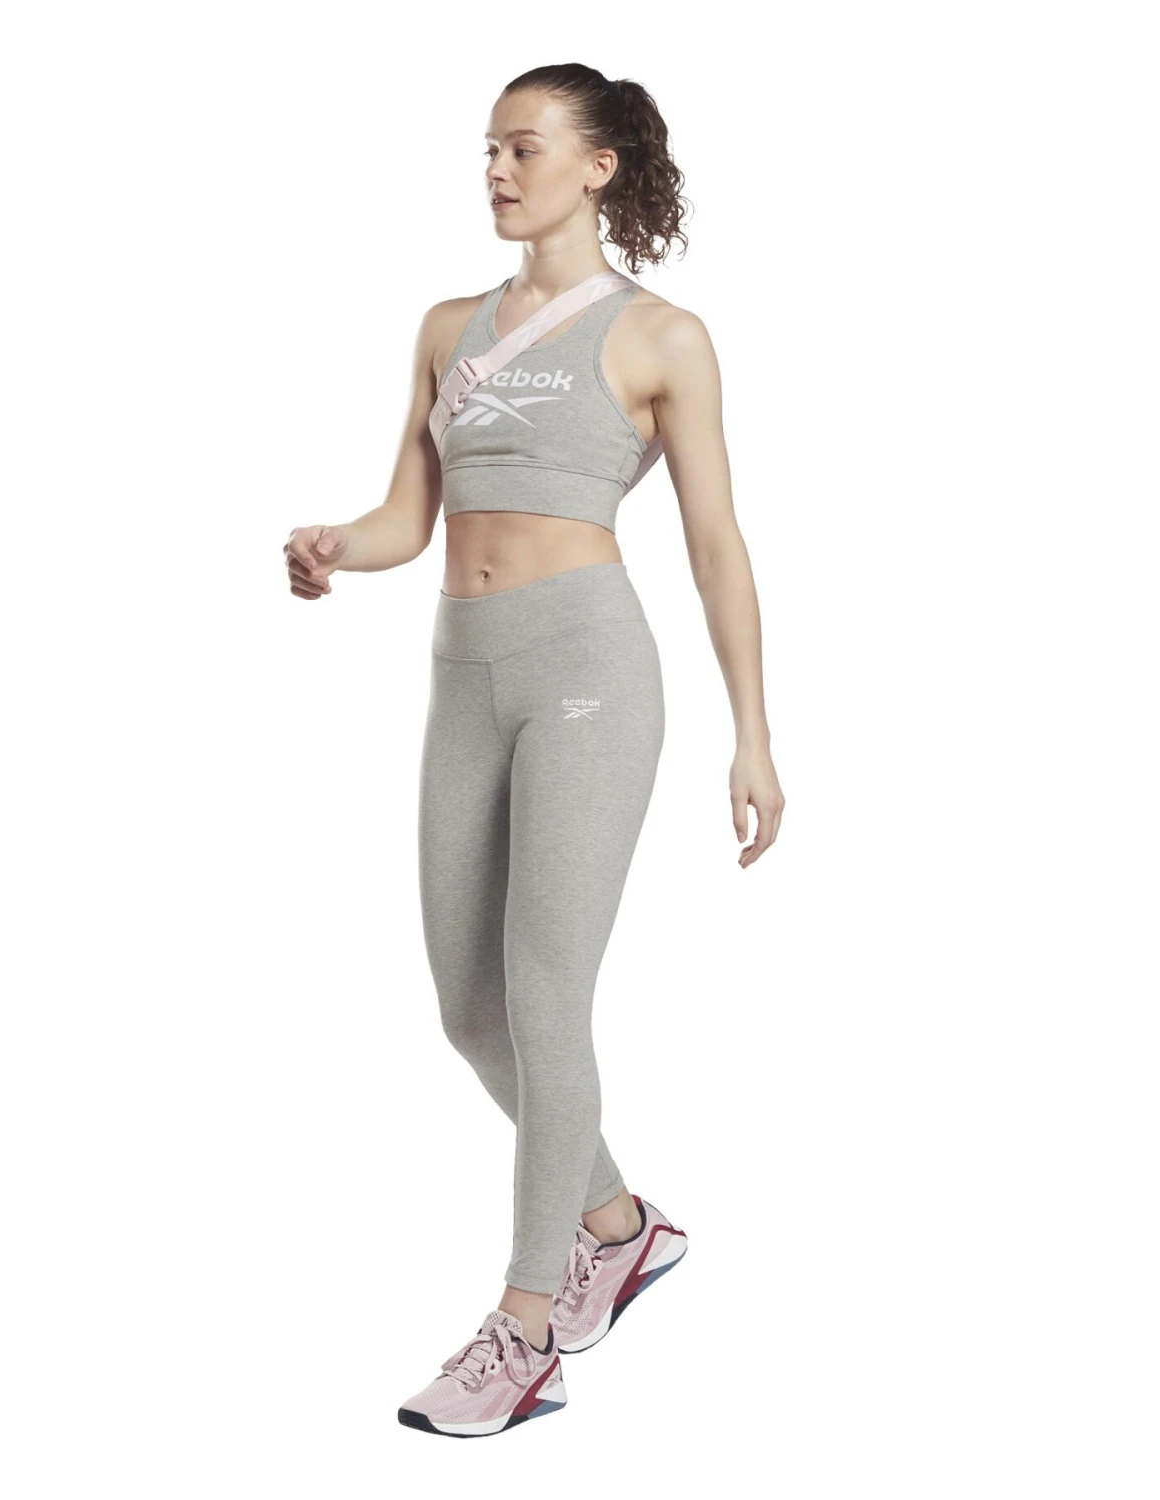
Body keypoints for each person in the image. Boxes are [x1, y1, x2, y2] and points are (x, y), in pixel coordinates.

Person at [285, 64, 784, 1438]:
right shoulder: (448, 327)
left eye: (523, 148)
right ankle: (619, 1225)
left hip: (587, 673)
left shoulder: (662, 336)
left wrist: (752, 732)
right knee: (468, 1007)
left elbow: (717, 544)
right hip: (463, 673)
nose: (498, 172)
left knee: (545, 999)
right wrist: (337, 546)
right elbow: (410, 516)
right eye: (489, 152)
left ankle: (526, 1331)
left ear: (597, 166)